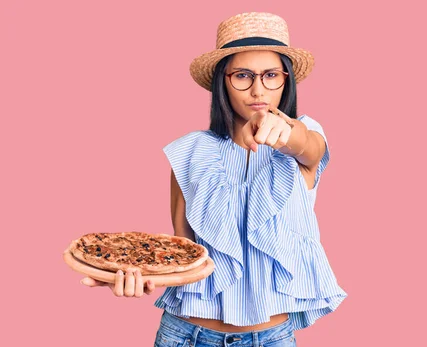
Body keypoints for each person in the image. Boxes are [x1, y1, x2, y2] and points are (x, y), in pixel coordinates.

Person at [81, 12, 347, 346]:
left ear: (286, 80)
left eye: (271, 75)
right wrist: (138, 272)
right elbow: (185, 255)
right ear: (223, 80)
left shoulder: (305, 141)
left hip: (272, 338)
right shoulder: (190, 152)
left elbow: (306, 144)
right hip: (186, 335)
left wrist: (284, 130)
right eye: (243, 76)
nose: (257, 89)